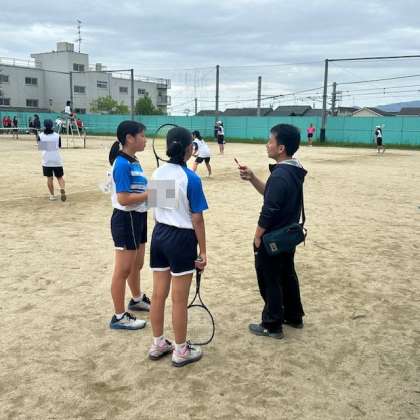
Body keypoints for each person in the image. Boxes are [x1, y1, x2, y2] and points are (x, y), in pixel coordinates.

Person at [239, 124, 306, 339]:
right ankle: (293, 316)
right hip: (287, 235)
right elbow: (271, 195)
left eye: (270, 141)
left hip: (272, 237)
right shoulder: (294, 169)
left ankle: (272, 324)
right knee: (287, 275)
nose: (267, 145)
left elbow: (268, 209)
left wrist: (258, 235)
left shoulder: (280, 175)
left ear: (281, 148)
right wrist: (252, 178)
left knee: (270, 279)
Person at [149, 126, 208, 367]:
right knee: (179, 299)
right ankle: (181, 350)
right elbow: (197, 219)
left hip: (159, 235)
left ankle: (158, 343)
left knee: (158, 294)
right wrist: (203, 251)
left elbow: (159, 208)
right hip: (181, 239)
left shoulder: (158, 173)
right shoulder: (191, 178)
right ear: (190, 149)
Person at [108, 121, 151, 330]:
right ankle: (119, 317)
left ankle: (136, 299)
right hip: (126, 219)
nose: (145, 139)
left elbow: (139, 191)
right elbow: (124, 199)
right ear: (129, 138)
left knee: (137, 264)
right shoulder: (122, 164)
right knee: (123, 270)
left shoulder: (134, 161)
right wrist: (152, 194)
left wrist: (158, 193)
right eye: (142, 135)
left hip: (139, 216)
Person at [37, 119, 67, 202]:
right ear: (52, 126)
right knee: (60, 177)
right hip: (56, 159)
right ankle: (62, 188)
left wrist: (47, 145)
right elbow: (59, 146)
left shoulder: (40, 135)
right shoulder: (57, 136)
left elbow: (41, 147)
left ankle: (52, 195)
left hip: (46, 160)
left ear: (44, 126)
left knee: (49, 178)